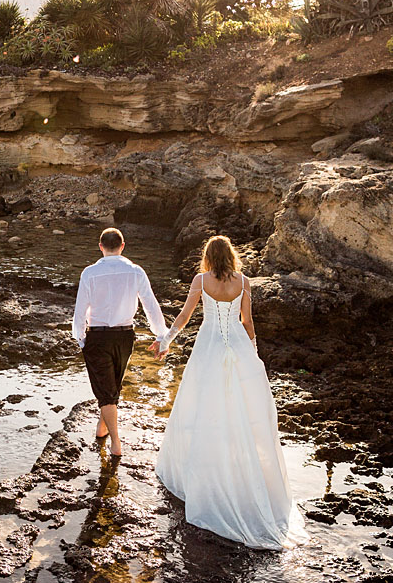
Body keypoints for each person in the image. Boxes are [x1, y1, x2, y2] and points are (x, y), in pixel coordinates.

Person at [152, 235, 307, 550]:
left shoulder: (201, 280)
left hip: (209, 345)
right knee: (239, 407)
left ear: (208, 257)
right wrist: (253, 352)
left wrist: (166, 340)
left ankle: (207, 468)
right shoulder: (244, 281)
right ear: (232, 256)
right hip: (236, 344)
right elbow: (247, 321)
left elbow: (184, 316)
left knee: (203, 405)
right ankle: (235, 466)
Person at [72, 228, 168, 458]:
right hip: (125, 337)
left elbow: (80, 309)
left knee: (107, 391)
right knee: (111, 387)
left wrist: (80, 338)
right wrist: (161, 336)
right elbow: (150, 305)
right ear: (123, 246)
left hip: (98, 336)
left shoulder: (89, 273)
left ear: (101, 246)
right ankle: (102, 427)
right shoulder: (135, 271)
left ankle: (116, 443)